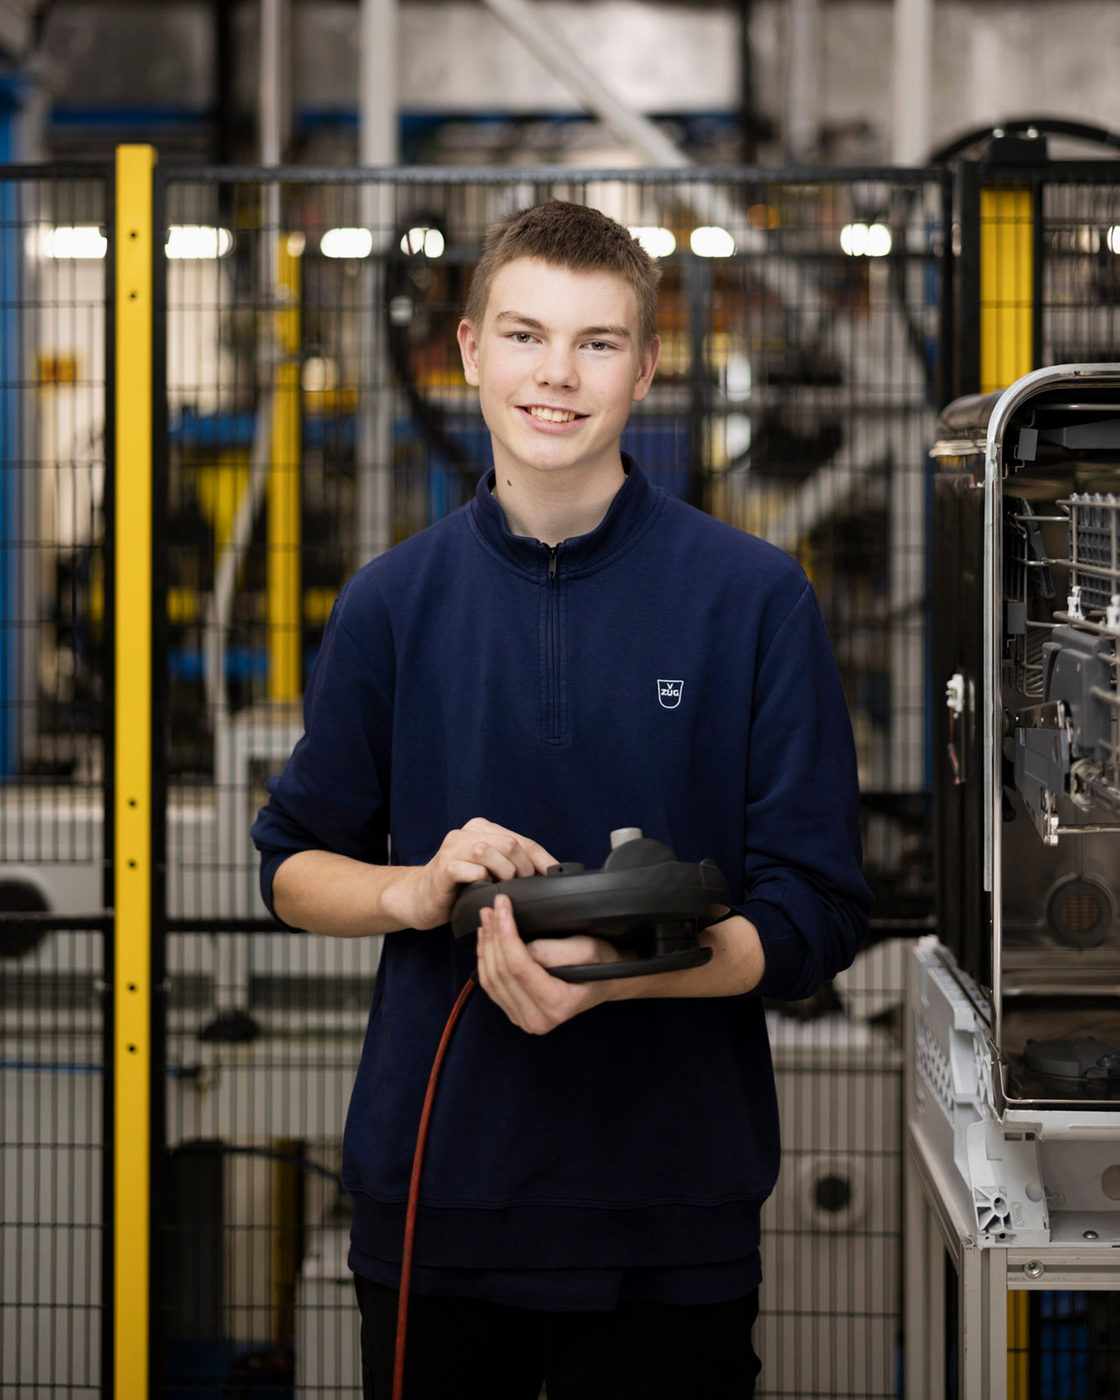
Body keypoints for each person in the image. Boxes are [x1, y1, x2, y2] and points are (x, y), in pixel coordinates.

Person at [252, 200, 872, 1399]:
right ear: (471, 350)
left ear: (646, 366)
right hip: (439, 1200)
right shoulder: (392, 601)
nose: (557, 375)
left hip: (670, 1210)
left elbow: (818, 912)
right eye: (528, 336)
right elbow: (290, 865)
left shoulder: (752, 598)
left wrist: (629, 966)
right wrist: (414, 883)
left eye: (597, 343)